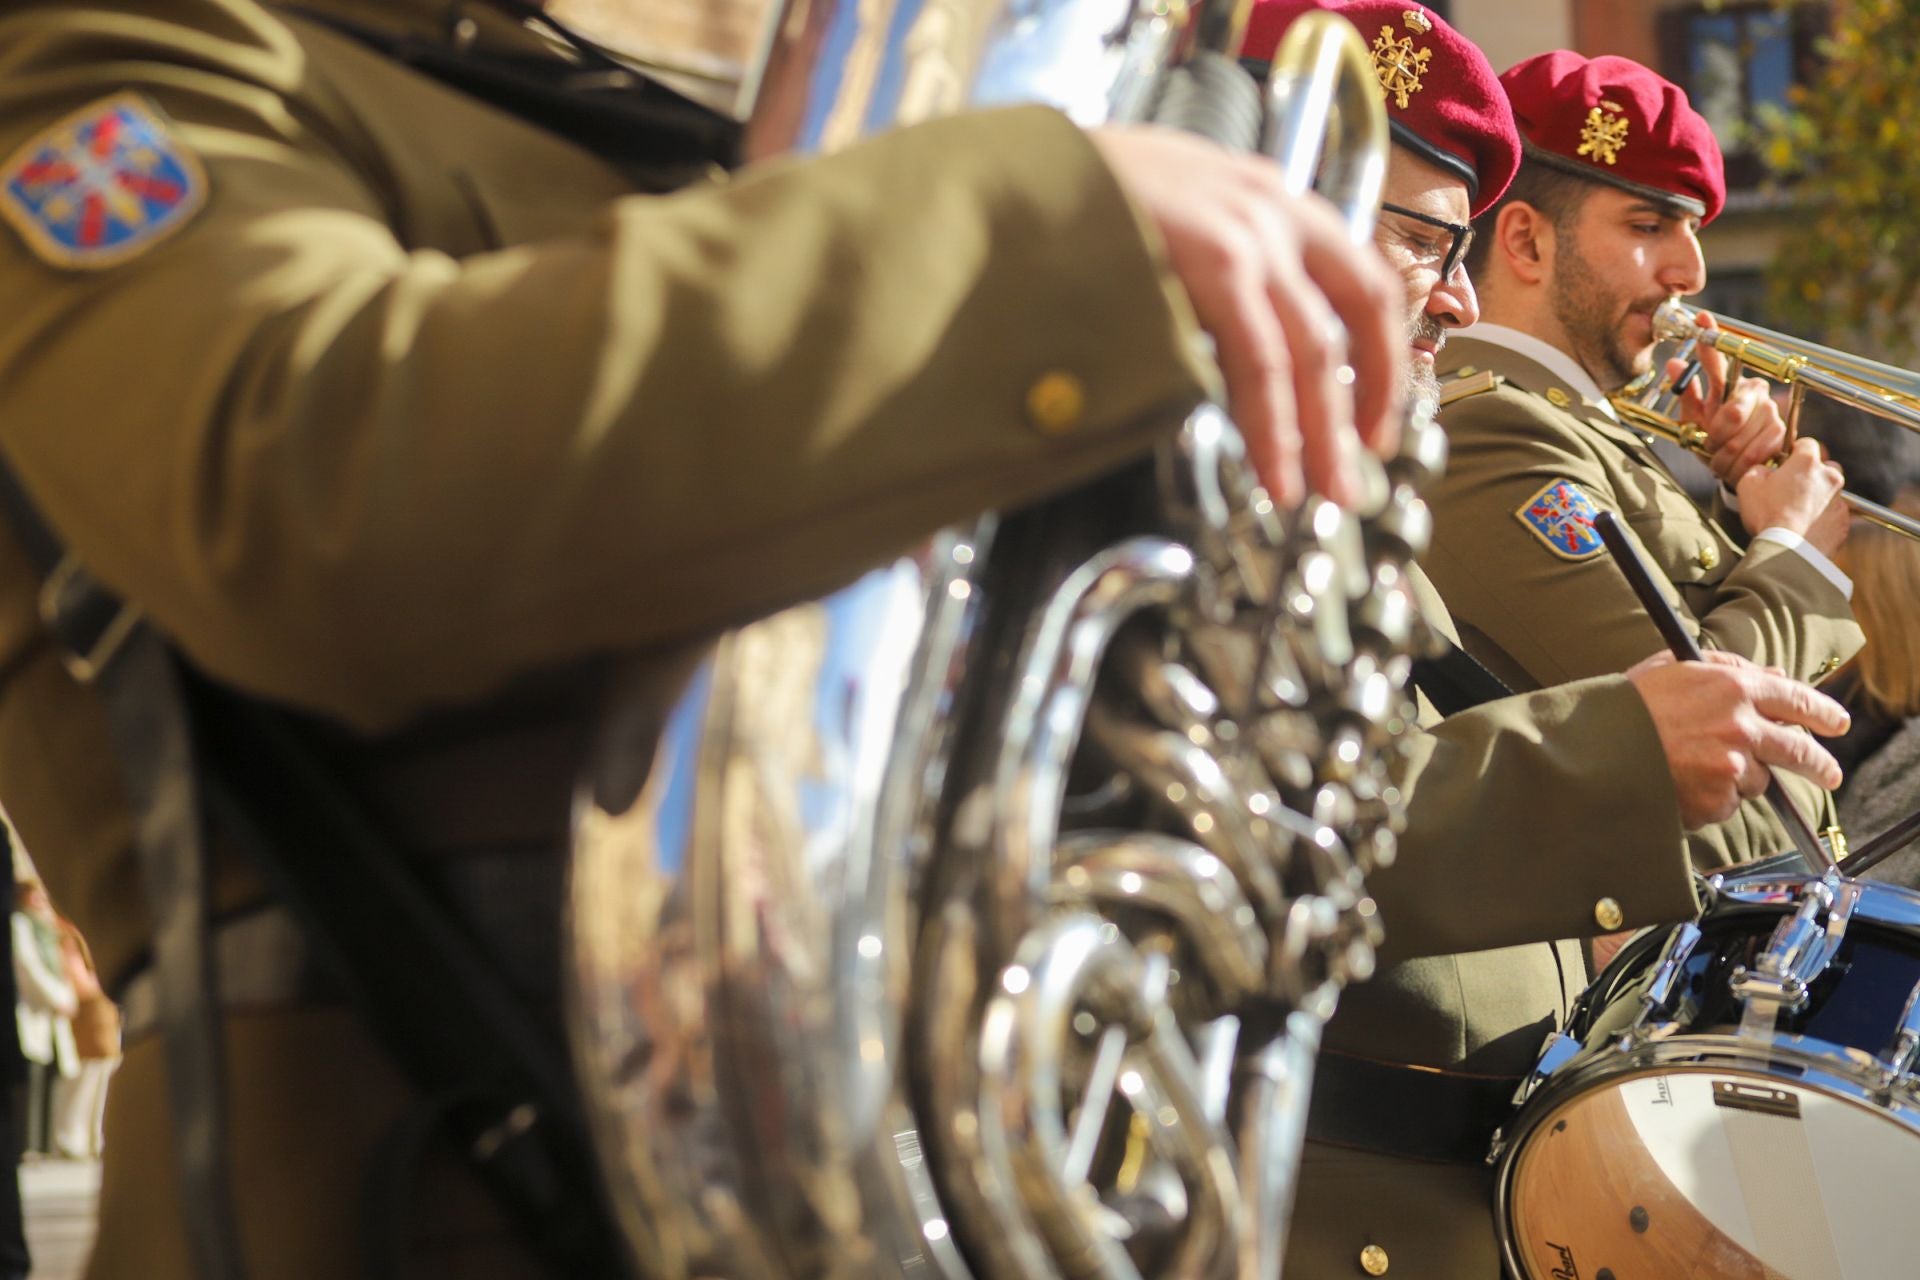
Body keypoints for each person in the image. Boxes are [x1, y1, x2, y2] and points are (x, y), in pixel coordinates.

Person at [0, 0, 1415, 1276]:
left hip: (963, 1157)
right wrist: (1035, 223)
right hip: (429, 1191)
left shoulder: (675, 123)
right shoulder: (125, 58)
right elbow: (299, 491)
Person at [1240, 5, 1849, 1275]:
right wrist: (1780, 566)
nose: (1453, 292)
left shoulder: (1326, 482)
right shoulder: (1459, 441)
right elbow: (1265, 825)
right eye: (1421, 236)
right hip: (1325, 1203)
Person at [1419, 50, 1863, 870]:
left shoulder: (1587, 426)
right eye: (1648, 225)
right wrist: (1793, 550)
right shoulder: (1485, 429)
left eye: (1691, 231)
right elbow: (1700, 719)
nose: (1690, 272)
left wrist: (1745, 508)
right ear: (1524, 239)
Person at [9, 880, 75, 1159]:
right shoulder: (19, 925)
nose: (38, 900)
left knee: (49, 1076)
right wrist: (58, 996)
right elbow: (28, 968)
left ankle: (42, 1143)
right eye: (33, 895)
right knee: (30, 1081)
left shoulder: (45, 927)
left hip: (49, 1013)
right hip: (32, 1010)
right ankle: (27, 1145)